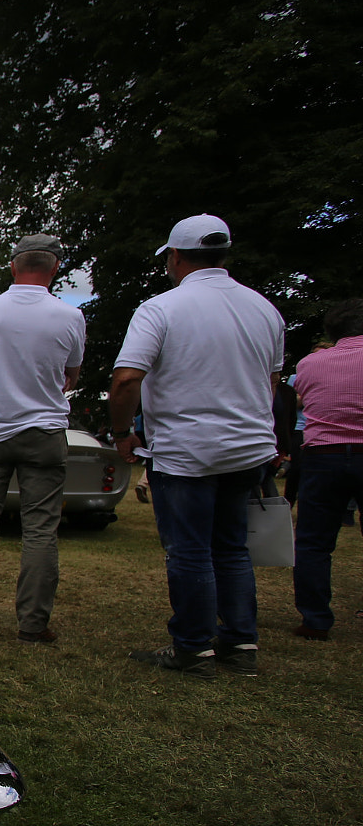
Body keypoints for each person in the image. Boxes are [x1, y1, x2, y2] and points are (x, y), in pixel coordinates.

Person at [109, 214, 283, 678]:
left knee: (189, 550)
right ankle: (240, 642)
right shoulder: (265, 309)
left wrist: (122, 433)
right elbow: (271, 382)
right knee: (231, 547)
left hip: (188, 449)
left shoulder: (161, 308)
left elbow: (127, 378)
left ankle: (192, 647)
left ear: (176, 256)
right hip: (248, 447)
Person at [0, 232, 86, 643]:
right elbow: (71, 376)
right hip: (44, 432)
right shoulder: (70, 317)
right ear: (54, 269)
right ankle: (33, 624)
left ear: (13, 267)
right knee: (40, 530)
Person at [289, 299, 363, 640]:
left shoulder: (309, 364)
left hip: (323, 453)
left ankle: (315, 618)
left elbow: (302, 398)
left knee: (313, 541)